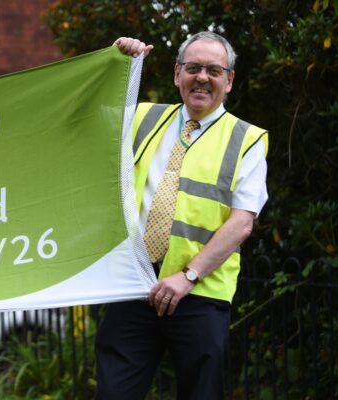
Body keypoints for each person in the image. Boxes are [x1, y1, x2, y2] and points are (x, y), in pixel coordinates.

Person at [95, 32, 268, 399]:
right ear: (177, 74)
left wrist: (188, 276)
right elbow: (89, 116)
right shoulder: (143, 117)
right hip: (134, 284)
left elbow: (242, 223)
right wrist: (116, 61)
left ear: (229, 81)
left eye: (214, 70)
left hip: (200, 292)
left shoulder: (247, 140)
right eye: (193, 68)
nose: (202, 77)